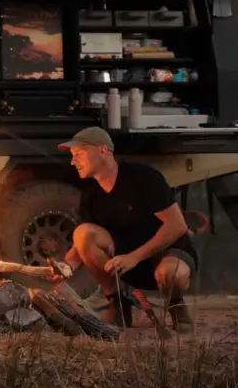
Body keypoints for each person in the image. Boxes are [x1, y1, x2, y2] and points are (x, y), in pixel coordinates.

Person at [56, 126, 196, 332]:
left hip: (167, 254)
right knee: (83, 233)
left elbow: (177, 226)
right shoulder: (91, 195)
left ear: (102, 150)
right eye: (72, 156)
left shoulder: (144, 178)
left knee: (170, 274)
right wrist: (62, 269)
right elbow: (80, 247)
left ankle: (176, 305)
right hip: (126, 265)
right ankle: (118, 304)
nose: (73, 161)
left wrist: (135, 257)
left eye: (79, 154)